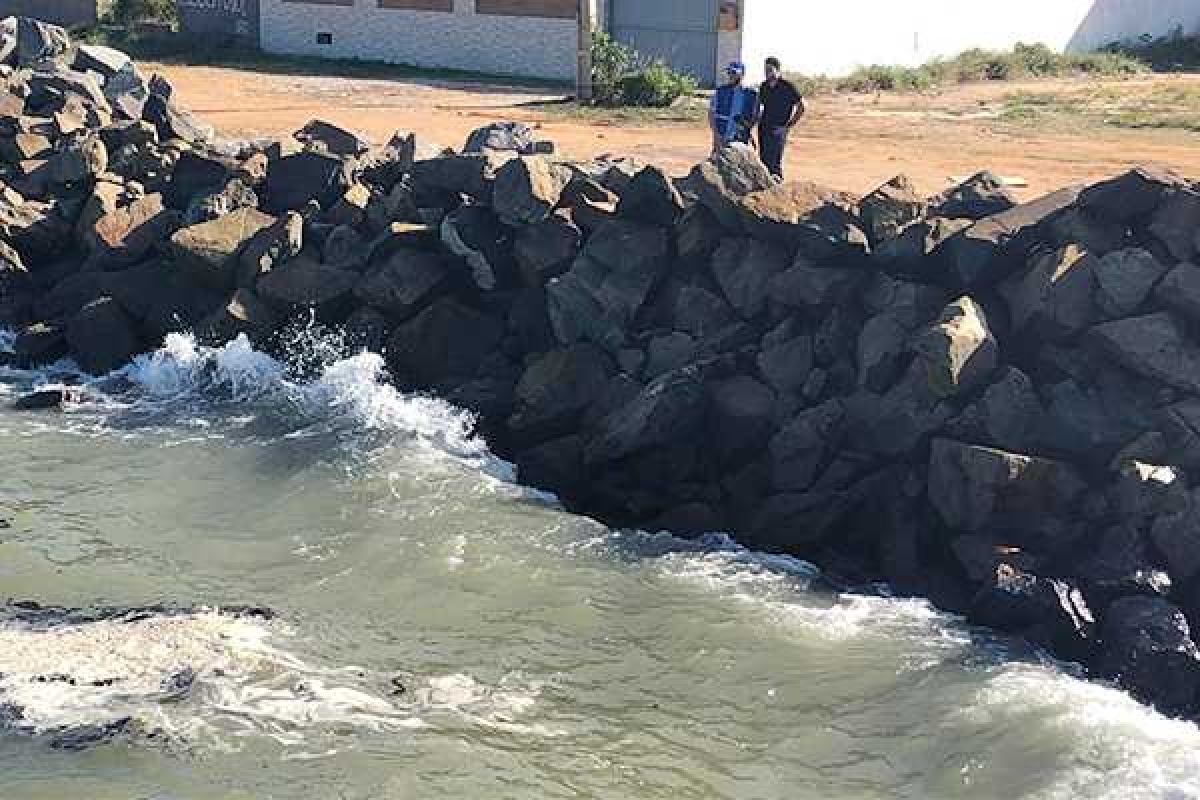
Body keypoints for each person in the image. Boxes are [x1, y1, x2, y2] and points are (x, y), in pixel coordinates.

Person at [756, 56, 805, 181]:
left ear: (777, 70)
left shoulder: (787, 86)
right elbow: (758, 107)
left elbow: (802, 106)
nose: (767, 73)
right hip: (764, 127)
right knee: (763, 160)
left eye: (770, 69)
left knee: (775, 162)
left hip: (779, 128)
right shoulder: (763, 86)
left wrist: (790, 124)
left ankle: (778, 189)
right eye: (765, 70)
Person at [709, 62, 758, 153]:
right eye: (729, 73)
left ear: (742, 75)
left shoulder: (751, 94)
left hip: (740, 139)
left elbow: (757, 114)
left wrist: (749, 128)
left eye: (734, 73)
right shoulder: (720, 92)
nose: (731, 75)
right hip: (722, 137)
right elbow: (711, 114)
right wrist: (716, 135)